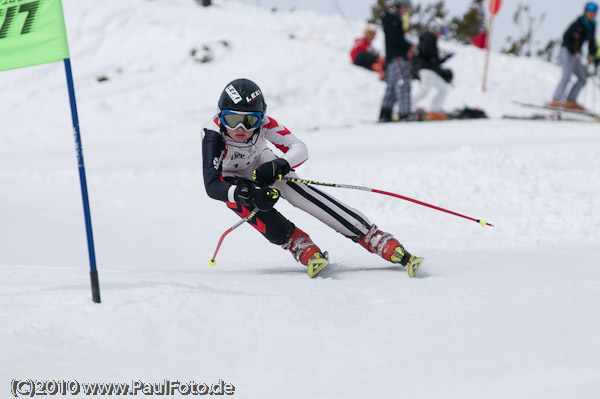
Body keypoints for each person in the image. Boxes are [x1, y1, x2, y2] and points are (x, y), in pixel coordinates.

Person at [202, 78, 424, 278]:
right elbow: (212, 185)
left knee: (299, 191)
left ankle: (373, 237)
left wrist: (281, 164)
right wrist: (244, 193)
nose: (240, 129)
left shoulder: (266, 124)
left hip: (262, 164)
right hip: (230, 178)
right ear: (221, 118)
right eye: (232, 120)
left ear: (260, 120)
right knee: (253, 207)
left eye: (249, 122)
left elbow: (299, 148)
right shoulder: (213, 135)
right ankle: (298, 243)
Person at [550, 2, 598, 110]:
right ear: (586, 12)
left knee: (582, 77)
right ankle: (556, 99)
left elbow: (592, 42)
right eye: (590, 12)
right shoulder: (579, 23)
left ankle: (571, 101)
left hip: (575, 55)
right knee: (567, 75)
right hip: (566, 51)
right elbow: (566, 36)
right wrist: (573, 50)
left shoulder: (593, 25)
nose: (592, 14)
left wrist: (591, 54)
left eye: (594, 13)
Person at [379, 1, 414, 122]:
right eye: (406, 8)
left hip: (392, 58)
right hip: (397, 57)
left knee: (392, 87)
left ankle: (385, 114)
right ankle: (405, 114)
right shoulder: (393, 19)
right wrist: (409, 45)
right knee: (403, 84)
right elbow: (397, 38)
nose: (406, 11)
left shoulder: (392, 18)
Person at [412, 20, 454, 112]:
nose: (442, 33)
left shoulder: (431, 40)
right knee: (424, 91)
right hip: (426, 70)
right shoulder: (428, 38)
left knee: (443, 89)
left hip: (431, 70)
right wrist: (439, 56)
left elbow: (434, 59)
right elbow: (428, 54)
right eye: (442, 30)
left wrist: (444, 58)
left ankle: (434, 110)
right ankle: (405, 108)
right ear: (435, 28)